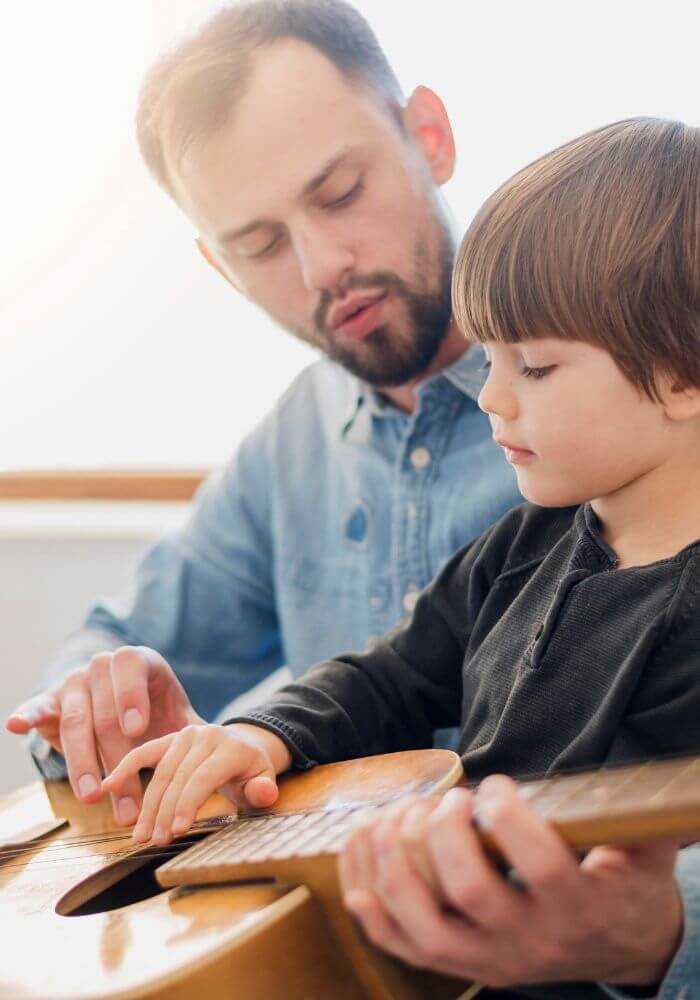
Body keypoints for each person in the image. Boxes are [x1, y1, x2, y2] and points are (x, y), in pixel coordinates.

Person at [4, 2, 699, 995]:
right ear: (215, 265)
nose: (323, 265)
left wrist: (662, 933)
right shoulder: (295, 451)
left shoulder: (631, 323)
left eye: (339, 190)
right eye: (256, 243)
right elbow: (149, 644)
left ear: (429, 136)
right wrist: (105, 719)